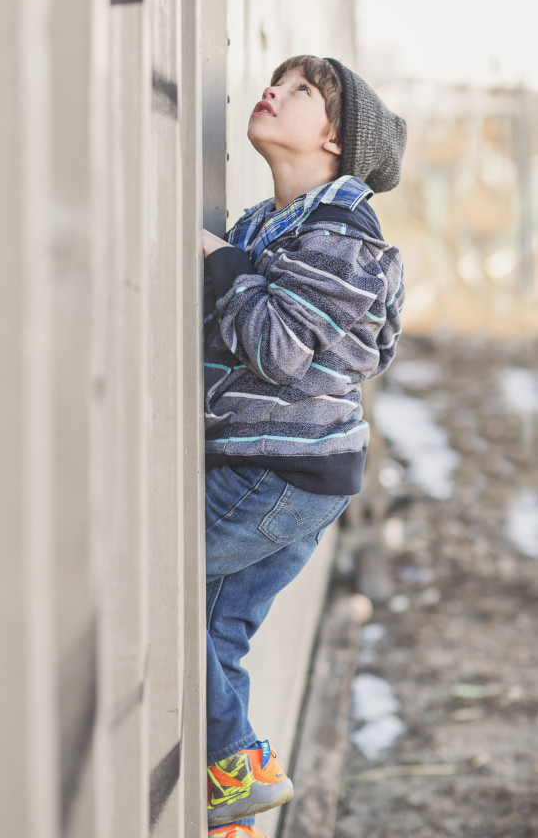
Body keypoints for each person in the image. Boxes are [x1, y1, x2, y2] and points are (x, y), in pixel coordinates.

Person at [202, 55, 407, 838]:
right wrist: (238, 259)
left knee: (158, 579)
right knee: (215, 630)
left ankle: (244, 763)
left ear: (334, 140)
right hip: (277, 471)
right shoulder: (269, 225)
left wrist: (217, 260)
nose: (273, 92)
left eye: (302, 92)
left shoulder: (341, 235)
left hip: (276, 478)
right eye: (278, 80)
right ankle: (234, 803)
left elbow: (278, 347)